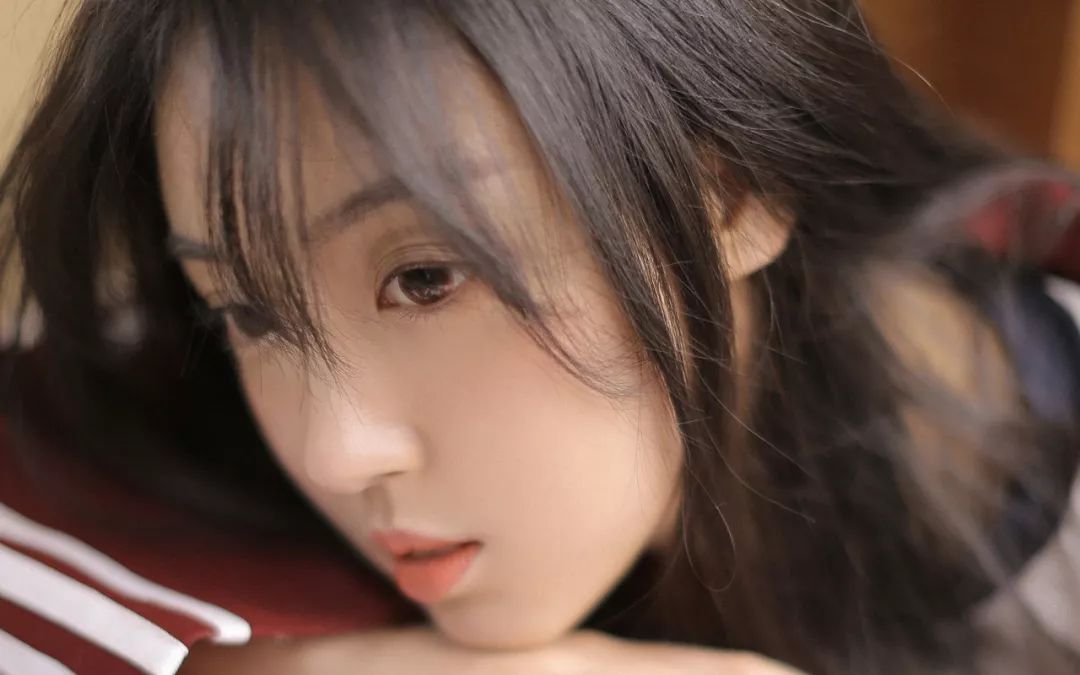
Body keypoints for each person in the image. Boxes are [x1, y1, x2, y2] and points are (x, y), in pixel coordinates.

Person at [1, 1, 1078, 673]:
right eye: (246, 311)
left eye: (428, 278)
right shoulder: (166, 403)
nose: (334, 452)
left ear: (731, 192)